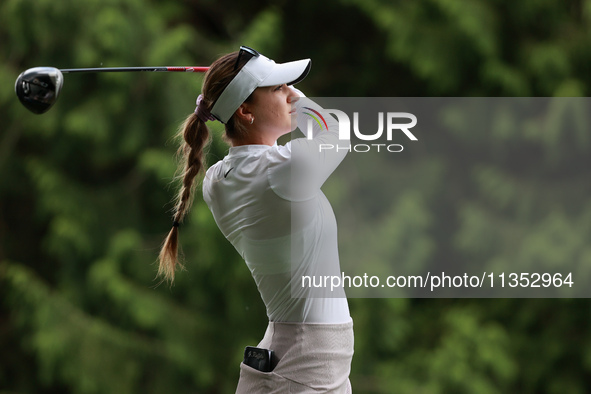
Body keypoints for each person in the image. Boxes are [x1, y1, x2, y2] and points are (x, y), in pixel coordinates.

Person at [158, 46, 353, 393]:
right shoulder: (279, 172)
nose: (290, 93)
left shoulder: (219, 180)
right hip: (308, 368)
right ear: (245, 111)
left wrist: (265, 84)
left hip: (294, 359)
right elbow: (335, 134)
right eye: (279, 88)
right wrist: (302, 100)